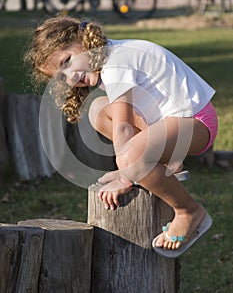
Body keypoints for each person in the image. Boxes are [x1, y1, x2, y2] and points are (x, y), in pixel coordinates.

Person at [24, 15, 218, 258]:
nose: (71, 77)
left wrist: (125, 175)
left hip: (196, 123)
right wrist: (128, 165)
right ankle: (152, 164)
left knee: (130, 158)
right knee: (97, 111)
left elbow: (124, 127)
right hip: (170, 123)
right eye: (61, 77)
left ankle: (189, 211)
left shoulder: (117, 62)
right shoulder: (109, 60)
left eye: (67, 61)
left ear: (82, 41)